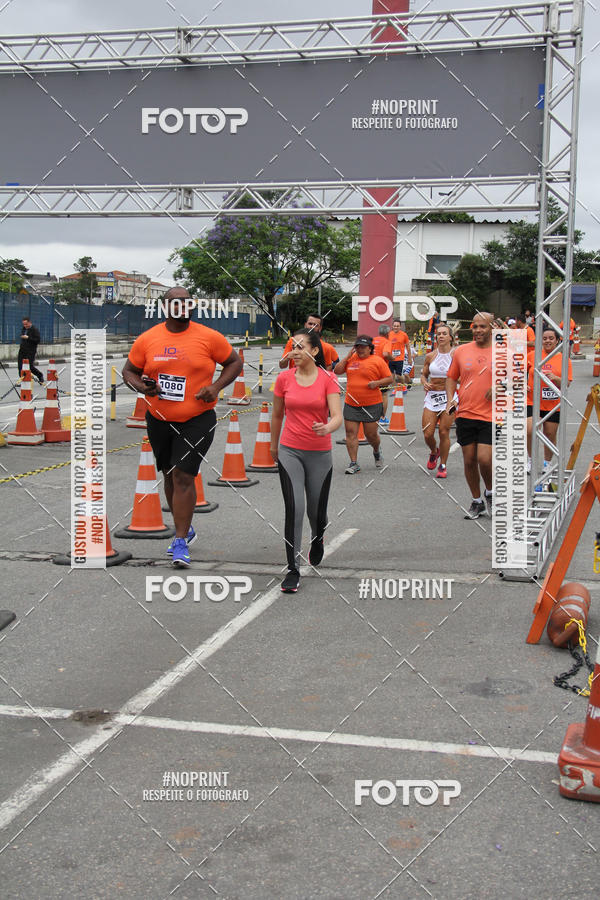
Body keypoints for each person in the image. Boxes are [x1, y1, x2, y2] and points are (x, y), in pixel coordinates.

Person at [122, 287, 242, 568]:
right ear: (165, 307)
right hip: (159, 419)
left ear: (192, 306)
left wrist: (215, 387)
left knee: (184, 476)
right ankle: (184, 526)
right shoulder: (148, 339)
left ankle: (179, 542)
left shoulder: (208, 337)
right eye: (176, 303)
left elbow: (234, 362)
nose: (182, 307)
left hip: (197, 419)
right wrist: (143, 387)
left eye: (187, 302)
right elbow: (129, 371)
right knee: (169, 474)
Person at [270, 329, 342, 593]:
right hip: (290, 450)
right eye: (293, 346)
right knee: (295, 508)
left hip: (320, 454)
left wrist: (328, 427)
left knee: (316, 512)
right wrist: (273, 445)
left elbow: (337, 415)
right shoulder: (284, 379)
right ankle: (292, 569)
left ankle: (318, 537)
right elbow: (277, 415)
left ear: (314, 351)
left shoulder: (328, 379)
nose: (295, 351)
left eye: (301, 347)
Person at [445, 312, 494, 519]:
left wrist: (502, 387)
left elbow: (517, 379)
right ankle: (477, 501)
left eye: (483, 326)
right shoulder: (461, 351)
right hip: (465, 413)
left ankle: (490, 493)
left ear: (492, 328)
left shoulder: (503, 352)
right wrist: (450, 399)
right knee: (469, 460)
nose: (478, 330)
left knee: (484, 459)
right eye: (475, 327)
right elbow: (451, 378)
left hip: (492, 415)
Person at [334, 334, 393, 474]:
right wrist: (348, 357)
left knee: (370, 435)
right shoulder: (351, 359)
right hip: (351, 403)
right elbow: (336, 371)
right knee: (350, 433)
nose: (360, 349)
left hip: (372, 404)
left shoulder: (377, 361)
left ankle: (377, 451)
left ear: (370, 348)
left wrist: (377, 383)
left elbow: (390, 378)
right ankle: (354, 463)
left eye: (363, 347)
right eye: (358, 346)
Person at [526, 326, 573, 479]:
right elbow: (519, 371)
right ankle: (530, 460)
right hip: (532, 400)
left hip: (553, 403)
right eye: (544, 338)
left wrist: (555, 378)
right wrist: (522, 383)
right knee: (530, 430)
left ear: (557, 340)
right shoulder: (532, 355)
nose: (547, 341)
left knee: (550, 434)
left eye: (551, 338)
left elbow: (567, 383)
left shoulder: (564, 359)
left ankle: (547, 463)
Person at [420, 324, 457, 479]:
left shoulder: (457, 354)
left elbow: (463, 374)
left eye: (444, 334)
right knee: (427, 433)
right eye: (438, 334)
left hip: (451, 398)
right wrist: (424, 382)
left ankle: (443, 465)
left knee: (443, 431)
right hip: (433, 397)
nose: (441, 336)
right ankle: (434, 451)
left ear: (450, 337)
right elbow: (424, 374)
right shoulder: (431, 356)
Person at [372, 323, 392, 423]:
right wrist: (392, 358)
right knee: (383, 394)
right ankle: (382, 418)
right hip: (381, 371)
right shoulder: (387, 342)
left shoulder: (372, 340)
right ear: (388, 333)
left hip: (370, 369)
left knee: (371, 392)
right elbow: (385, 353)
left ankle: (369, 416)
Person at [383, 318, 412, 386]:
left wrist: (409, 358)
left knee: (399, 375)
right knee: (391, 376)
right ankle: (395, 389)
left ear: (400, 327)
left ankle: (405, 384)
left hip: (400, 358)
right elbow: (385, 345)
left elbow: (408, 347)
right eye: (394, 326)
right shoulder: (389, 334)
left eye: (397, 326)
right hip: (390, 358)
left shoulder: (404, 335)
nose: (396, 327)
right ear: (392, 326)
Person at [18, 317, 44, 384]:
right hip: (22, 350)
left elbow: (37, 340)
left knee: (30, 366)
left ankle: (39, 375)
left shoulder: (34, 330)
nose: (25, 326)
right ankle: (23, 380)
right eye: (23, 324)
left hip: (30, 351)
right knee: (20, 366)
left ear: (30, 322)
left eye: (26, 324)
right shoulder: (24, 329)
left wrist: (28, 338)